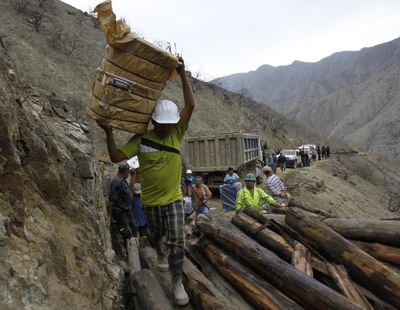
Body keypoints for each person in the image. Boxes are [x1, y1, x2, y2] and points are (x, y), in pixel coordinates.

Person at [97, 57, 194, 306]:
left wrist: (183, 74)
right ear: (154, 123)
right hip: (151, 202)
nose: (167, 129)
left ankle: (176, 282)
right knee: (158, 235)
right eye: (162, 125)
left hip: (173, 198)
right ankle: (160, 251)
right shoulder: (141, 139)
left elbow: (190, 106)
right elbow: (115, 156)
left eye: (170, 124)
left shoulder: (177, 133)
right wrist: (108, 132)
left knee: (178, 238)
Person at [108, 163, 137, 253]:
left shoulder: (123, 180)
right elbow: (111, 199)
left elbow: (131, 191)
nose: (129, 173)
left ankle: (135, 250)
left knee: (134, 228)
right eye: (128, 171)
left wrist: (133, 177)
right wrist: (109, 215)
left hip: (128, 210)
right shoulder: (116, 181)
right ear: (125, 171)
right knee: (127, 233)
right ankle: (130, 253)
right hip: (121, 212)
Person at [129, 170, 148, 237]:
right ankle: (143, 236)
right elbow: (131, 189)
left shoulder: (143, 178)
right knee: (140, 221)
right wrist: (133, 176)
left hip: (144, 199)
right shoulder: (132, 180)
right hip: (137, 201)